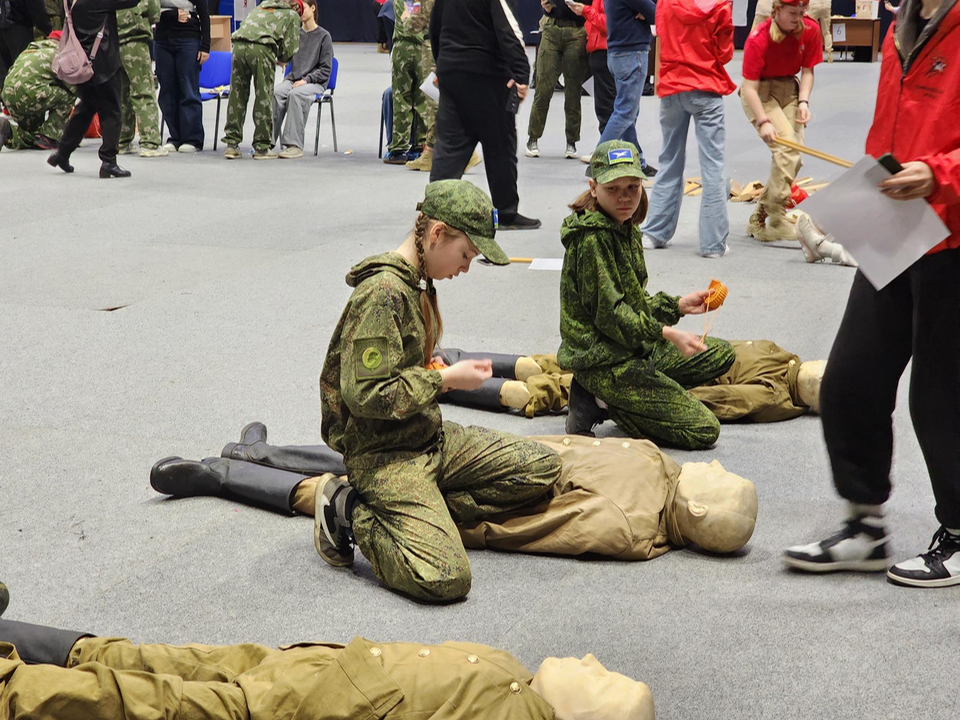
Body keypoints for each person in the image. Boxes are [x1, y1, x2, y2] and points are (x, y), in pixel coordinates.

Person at [784, 0, 960, 588]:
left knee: (940, 400)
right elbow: (890, 127)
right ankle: (865, 525)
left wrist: (941, 173)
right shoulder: (900, 27)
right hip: (898, 226)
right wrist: (859, 197)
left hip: (954, 238)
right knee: (849, 381)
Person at [151, 426, 759, 562]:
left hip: (479, 501)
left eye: (724, 480)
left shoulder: (628, 529)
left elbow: (526, 530)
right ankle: (260, 452)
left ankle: (219, 477)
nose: (718, 466)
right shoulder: (657, 461)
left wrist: (436, 522)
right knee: (383, 446)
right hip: (495, 455)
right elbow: (562, 441)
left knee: (343, 490)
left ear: (700, 512)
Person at [0, 605, 654, 720]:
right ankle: (27, 637)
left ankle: (11, 685)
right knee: (154, 658)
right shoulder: (516, 671)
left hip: (301, 709)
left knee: (133, 699)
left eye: (600, 678)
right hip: (308, 669)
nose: (592, 657)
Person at [558, 140, 737, 450]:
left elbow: (634, 303)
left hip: (631, 345)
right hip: (604, 360)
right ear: (593, 187)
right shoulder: (592, 241)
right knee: (704, 430)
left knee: (721, 354)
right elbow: (613, 315)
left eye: (633, 187)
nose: (625, 197)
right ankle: (603, 400)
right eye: (613, 189)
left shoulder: (625, 227)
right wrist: (667, 332)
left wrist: (677, 305)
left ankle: (608, 396)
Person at [428, 0, 542, 230]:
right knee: (500, 145)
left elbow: (434, 26)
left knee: (450, 145)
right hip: (486, 74)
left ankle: (435, 210)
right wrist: (521, 73)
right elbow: (508, 30)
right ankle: (506, 214)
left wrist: (443, 64)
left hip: (451, 71)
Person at [639, 0, 735, 258]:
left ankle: (653, 233)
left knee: (669, 159)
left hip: (672, 86)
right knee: (713, 165)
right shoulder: (720, 6)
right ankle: (713, 244)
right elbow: (724, 53)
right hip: (706, 87)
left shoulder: (665, 3)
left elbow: (660, 40)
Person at [740, 0, 821, 242]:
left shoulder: (811, 30)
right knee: (787, 151)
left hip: (790, 90)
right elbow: (749, 88)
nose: (799, 18)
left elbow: (807, 71)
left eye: (802, 12)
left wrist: (804, 102)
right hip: (761, 94)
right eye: (793, 13)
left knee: (794, 158)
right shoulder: (758, 38)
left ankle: (759, 217)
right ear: (777, 11)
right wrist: (763, 121)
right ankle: (775, 217)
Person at [46, 0, 142, 178]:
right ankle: (108, 161)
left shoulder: (71, 2)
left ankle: (62, 153)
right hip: (103, 63)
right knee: (112, 110)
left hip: (83, 62)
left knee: (86, 108)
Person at [222, 0, 300, 159]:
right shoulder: (291, 15)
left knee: (237, 95)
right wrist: (282, 58)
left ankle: (232, 144)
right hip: (261, 49)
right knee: (263, 96)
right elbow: (290, 47)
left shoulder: (261, 7)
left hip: (238, 46)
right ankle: (262, 147)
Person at [523, 0, 589, 161]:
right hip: (552, 28)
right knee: (543, 88)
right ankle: (533, 137)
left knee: (573, 90)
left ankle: (571, 141)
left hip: (577, 30)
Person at [597, 0, 656, 175]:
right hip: (631, 54)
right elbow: (656, 14)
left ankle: (638, 160)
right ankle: (598, 160)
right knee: (625, 113)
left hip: (618, 53)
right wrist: (647, 13)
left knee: (628, 113)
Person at [271, 0, 332, 159]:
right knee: (277, 92)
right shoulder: (295, 33)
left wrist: (306, 80)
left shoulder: (324, 37)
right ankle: (266, 142)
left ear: (313, 8)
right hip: (294, 79)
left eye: (302, 8)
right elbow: (285, 54)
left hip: (314, 83)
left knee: (295, 95)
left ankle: (294, 145)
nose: (300, 11)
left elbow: (325, 70)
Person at [0, 31, 75, 150]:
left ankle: (8, 131)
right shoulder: (58, 55)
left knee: (33, 134)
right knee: (68, 96)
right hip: (29, 94)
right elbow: (73, 88)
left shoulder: (29, 51)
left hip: (8, 97)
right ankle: (50, 138)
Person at [154, 0, 210, 153]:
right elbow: (148, 10)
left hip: (188, 38)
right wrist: (172, 14)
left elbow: (204, 13)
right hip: (162, 39)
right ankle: (175, 137)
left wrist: (205, 45)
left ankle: (193, 139)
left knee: (188, 89)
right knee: (167, 91)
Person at [382, 0, 434, 164]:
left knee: (401, 97)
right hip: (424, 47)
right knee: (421, 98)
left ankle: (398, 148)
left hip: (403, 46)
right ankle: (419, 146)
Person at [117, 0, 166, 157]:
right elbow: (154, 10)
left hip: (113, 40)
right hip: (135, 38)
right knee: (143, 91)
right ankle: (150, 143)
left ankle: (121, 141)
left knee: (121, 93)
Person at [567, 0, 613, 163]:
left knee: (608, 108)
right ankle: (606, 150)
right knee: (604, 107)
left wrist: (586, 12)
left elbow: (610, 24)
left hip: (606, 52)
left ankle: (607, 152)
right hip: (598, 52)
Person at [0, 0, 52, 96]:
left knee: (5, 72)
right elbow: (36, 8)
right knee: (22, 71)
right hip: (19, 26)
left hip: (5, 23)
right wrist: (48, 30)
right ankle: (20, 103)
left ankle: (7, 104)